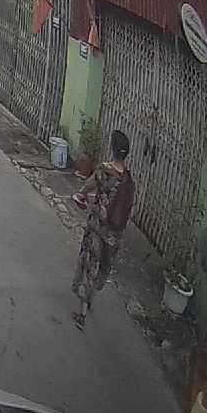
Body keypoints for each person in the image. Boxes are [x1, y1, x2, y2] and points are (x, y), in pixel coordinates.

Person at [70, 130, 135, 329]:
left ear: (112, 149)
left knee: (90, 263)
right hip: (114, 234)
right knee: (103, 266)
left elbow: (86, 188)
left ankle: (82, 313)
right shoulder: (129, 180)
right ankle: (92, 295)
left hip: (98, 227)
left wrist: (80, 196)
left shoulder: (104, 171)